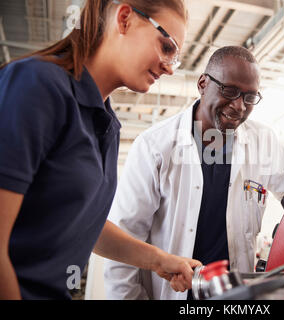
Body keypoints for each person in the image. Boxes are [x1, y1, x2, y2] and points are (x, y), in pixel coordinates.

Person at [0, 0, 201, 300]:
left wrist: (160, 260)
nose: (169, 67)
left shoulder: (106, 124)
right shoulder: (37, 85)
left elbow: (87, 225)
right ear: (124, 19)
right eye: (167, 46)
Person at [104, 46, 284, 300]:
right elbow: (124, 243)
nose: (239, 106)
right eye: (230, 91)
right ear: (203, 84)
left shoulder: (262, 142)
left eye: (249, 97)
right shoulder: (154, 147)